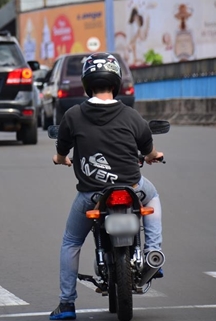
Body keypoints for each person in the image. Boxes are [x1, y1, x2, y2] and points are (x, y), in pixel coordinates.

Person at [49, 52, 165, 320]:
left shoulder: (73, 115)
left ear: (87, 83)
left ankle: (67, 304)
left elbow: (61, 150)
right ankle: (153, 253)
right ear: (116, 83)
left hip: (92, 194)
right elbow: (148, 151)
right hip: (132, 187)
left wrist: (60, 160)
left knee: (71, 242)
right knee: (153, 197)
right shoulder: (131, 115)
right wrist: (153, 156)